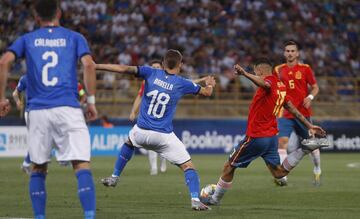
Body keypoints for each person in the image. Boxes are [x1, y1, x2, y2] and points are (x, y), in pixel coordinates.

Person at [0, 0, 97, 218]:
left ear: (36, 18)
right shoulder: (75, 37)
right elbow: (89, 65)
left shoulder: (27, 39)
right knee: (81, 165)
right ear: (59, 14)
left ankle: (39, 217)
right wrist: (90, 101)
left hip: (38, 111)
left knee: (38, 168)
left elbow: (4, 62)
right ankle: (90, 215)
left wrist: (2, 98)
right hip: (68, 107)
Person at [96, 49, 216, 211]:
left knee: (129, 142)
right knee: (188, 167)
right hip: (162, 136)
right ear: (180, 65)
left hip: (141, 131)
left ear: (163, 63)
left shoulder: (150, 72)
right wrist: (209, 84)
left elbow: (123, 68)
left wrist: (96, 66)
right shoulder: (181, 83)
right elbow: (207, 93)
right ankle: (195, 199)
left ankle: (114, 177)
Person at [202, 58, 327, 206]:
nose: (255, 74)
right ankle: (304, 149)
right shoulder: (281, 85)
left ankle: (215, 199)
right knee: (279, 173)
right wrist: (309, 125)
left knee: (229, 167)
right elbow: (292, 108)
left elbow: (264, 84)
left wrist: (245, 73)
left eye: (255, 72)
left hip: (257, 136)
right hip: (271, 137)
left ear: (259, 71)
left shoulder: (270, 82)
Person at [274, 40, 322, 186]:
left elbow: (315, 87)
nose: (290, 53)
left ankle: (317, 168)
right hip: (285, 114)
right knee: (282, 143)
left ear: (297, 53)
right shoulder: (278, 70)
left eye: (292, 51)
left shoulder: (305, 69)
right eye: (287, 51)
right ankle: (283, 176)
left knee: (312, 145)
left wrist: (310, 97)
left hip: (303, 113)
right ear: (284, 53)